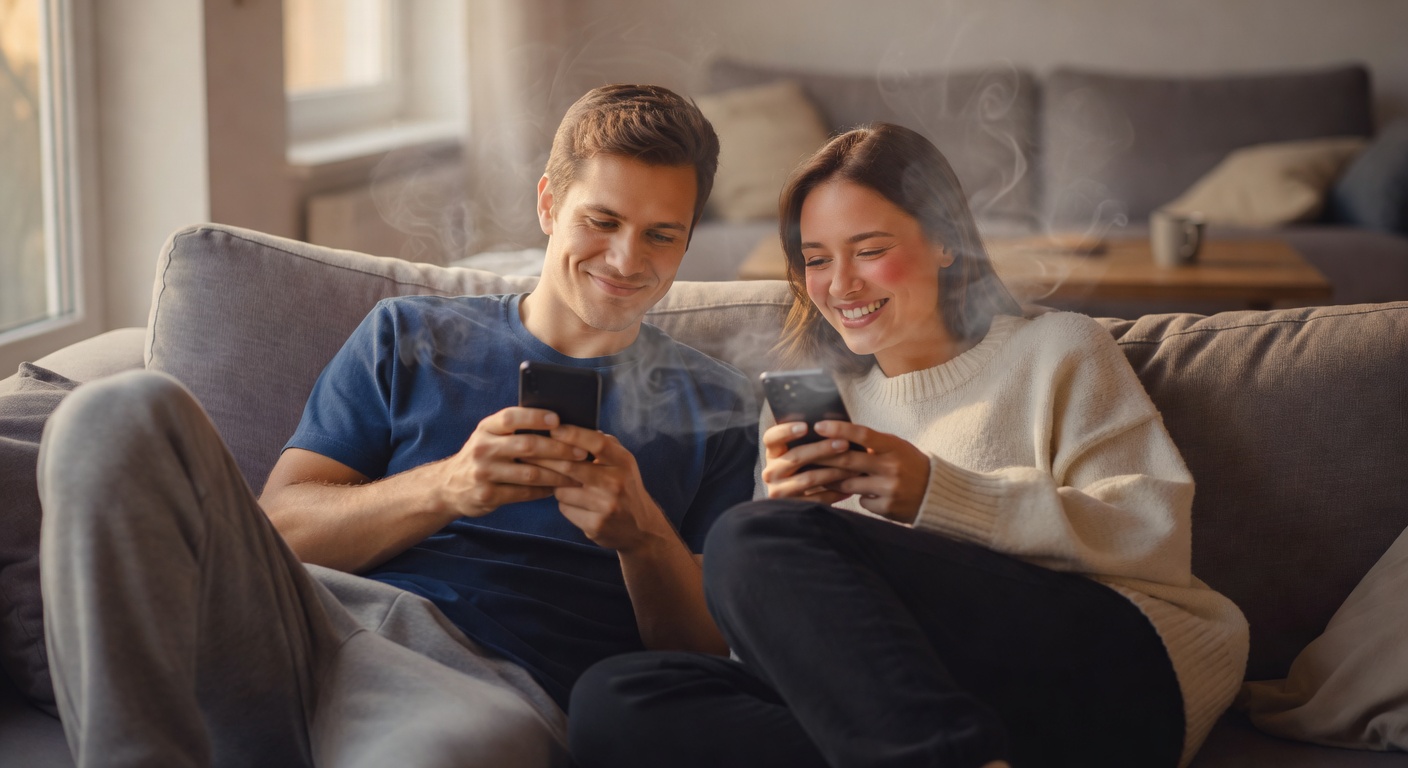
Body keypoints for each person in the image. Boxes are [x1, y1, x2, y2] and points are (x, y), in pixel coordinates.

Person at [37, 84, 756, 768]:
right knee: (113, 412)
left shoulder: (719, 407)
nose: (628, 259)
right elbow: (280, 529)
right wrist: (448, 486)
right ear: (548, 203)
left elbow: (703, 654)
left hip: (482, 689)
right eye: (602, 221)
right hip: (300, 623)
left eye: (661, 235)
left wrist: (641, 536)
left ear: (688, 241)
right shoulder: (411, 331)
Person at [568, 123, 1249, 768]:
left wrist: (933, 491)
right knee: (614, 701)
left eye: (869, 250)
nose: (841, 285)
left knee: (752, 538)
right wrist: (788, 563)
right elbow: (823, 665)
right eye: (816, 260)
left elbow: (1152, 534)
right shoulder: (820, 402)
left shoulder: (1057, 349)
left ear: (945, 240)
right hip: (945, 711)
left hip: (1119, 679)